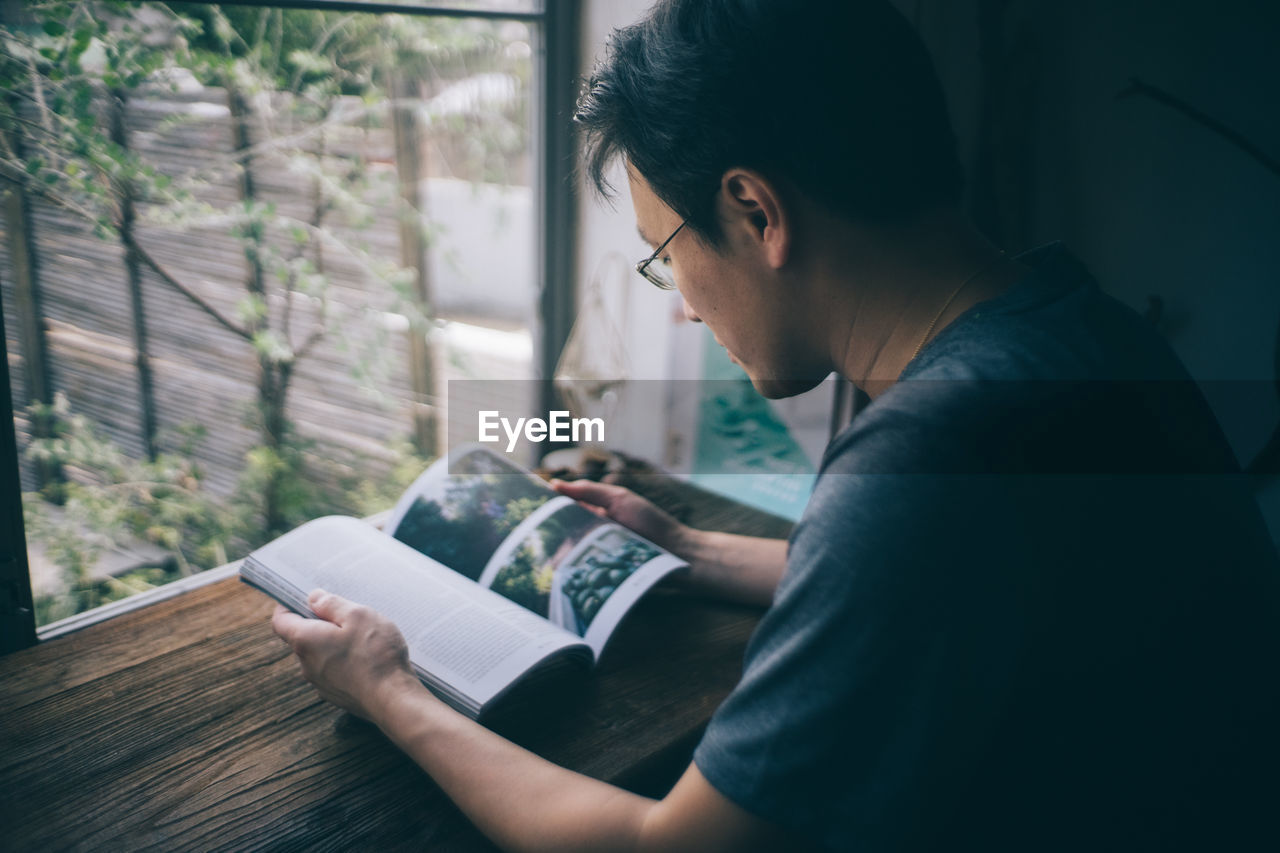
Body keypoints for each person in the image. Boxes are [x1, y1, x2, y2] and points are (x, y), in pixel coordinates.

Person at [271, 1, 1280, 850]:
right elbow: (947, 582)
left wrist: (390, 687)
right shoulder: (1075, 328)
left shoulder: (929, 452)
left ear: (755, 210)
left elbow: (662, 848)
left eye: (663, 252)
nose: (682, 302)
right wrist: (687, 547)